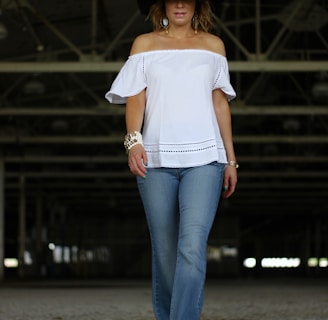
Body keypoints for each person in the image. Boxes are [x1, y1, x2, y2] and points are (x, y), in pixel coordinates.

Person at [105, 0, 238, 319]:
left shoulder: (213, 46)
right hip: (154, 160)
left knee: (191, 247)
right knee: (164, 253)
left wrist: (231, 160)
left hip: (205, 160)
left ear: (198, 5)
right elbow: (136, 100)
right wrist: (133, 142)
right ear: (162, 5)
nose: (180, 4)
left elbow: (220, 104)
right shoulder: (144, 44)